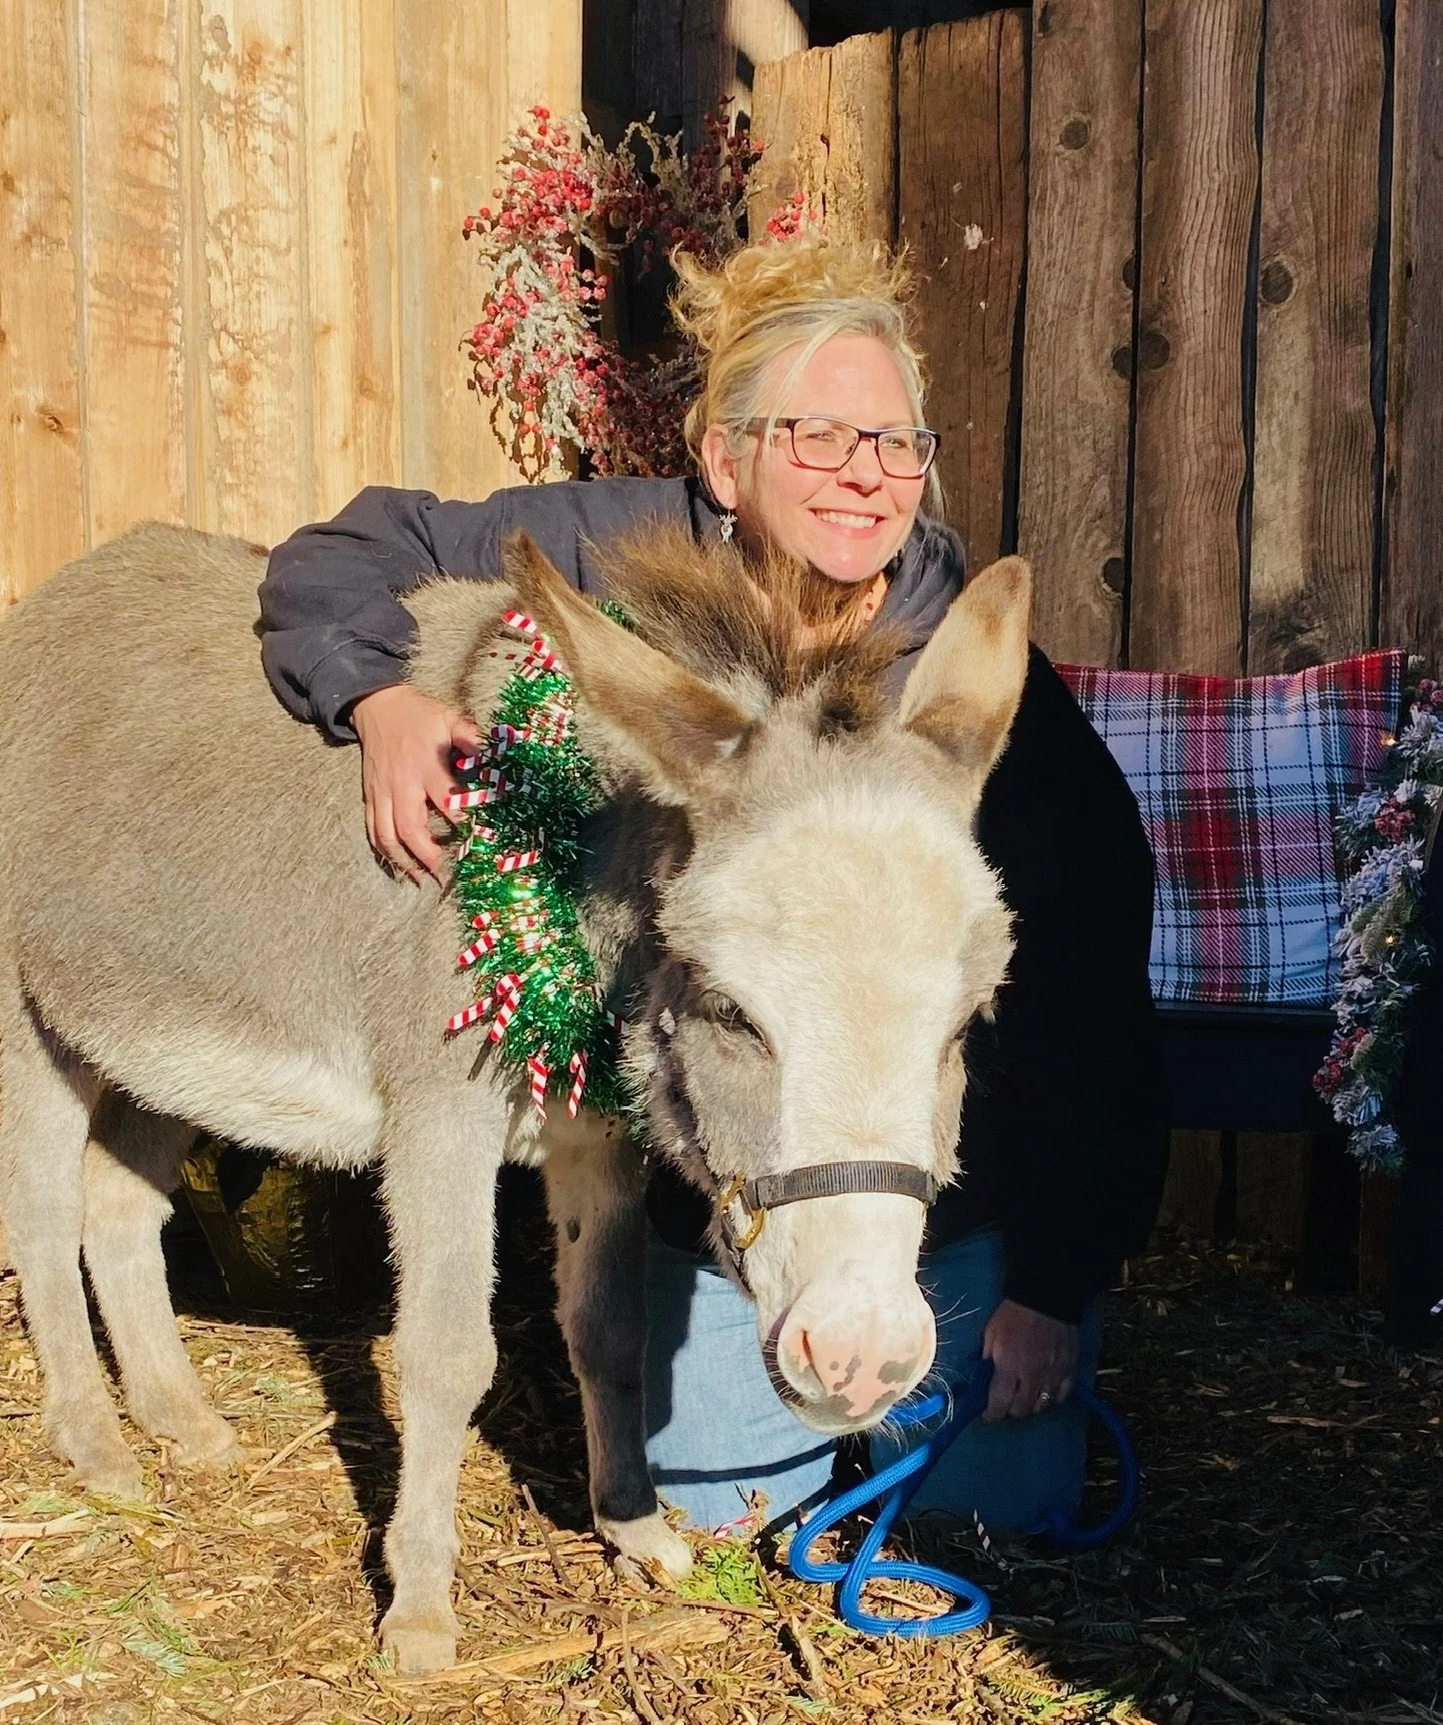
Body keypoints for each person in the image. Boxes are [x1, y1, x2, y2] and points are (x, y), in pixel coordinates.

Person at [256, 233, 1168, 1536]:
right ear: (722, 459)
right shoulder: (616, 553)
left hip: (950, 1214)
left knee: (995, 1518)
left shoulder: (976, 696)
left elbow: (1091, 997)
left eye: (894, 445)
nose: (862, 477)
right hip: (728, 1202)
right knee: (712, 1512)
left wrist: (1055, 1292)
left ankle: (960, 1343)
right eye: (815, 437)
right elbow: (343, 549)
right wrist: (378, 693)